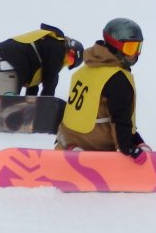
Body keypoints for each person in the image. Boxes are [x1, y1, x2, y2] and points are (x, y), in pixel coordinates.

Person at [55, 18, 150, 158]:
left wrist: (137, 140)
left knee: (130, 133)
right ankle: (84, 154)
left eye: (138, 48)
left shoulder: (86, 69)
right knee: (126, 131)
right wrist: (128, 148)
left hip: (67, 135)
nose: (135, 54)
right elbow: (119, 118)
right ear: (114, 46)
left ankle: (70, 147)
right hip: (94, 143)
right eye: (130, 48)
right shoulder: (118, 79)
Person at [0, 24, 84, 98]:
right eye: (70, 57)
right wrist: (47, 106)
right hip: (8, 63)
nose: (65, 62)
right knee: (6, 107)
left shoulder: (42, 42)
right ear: (69, 46)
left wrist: (32, 105)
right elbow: (51, 78)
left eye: (70, 62)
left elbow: (33, 85)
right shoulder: (58, 45)